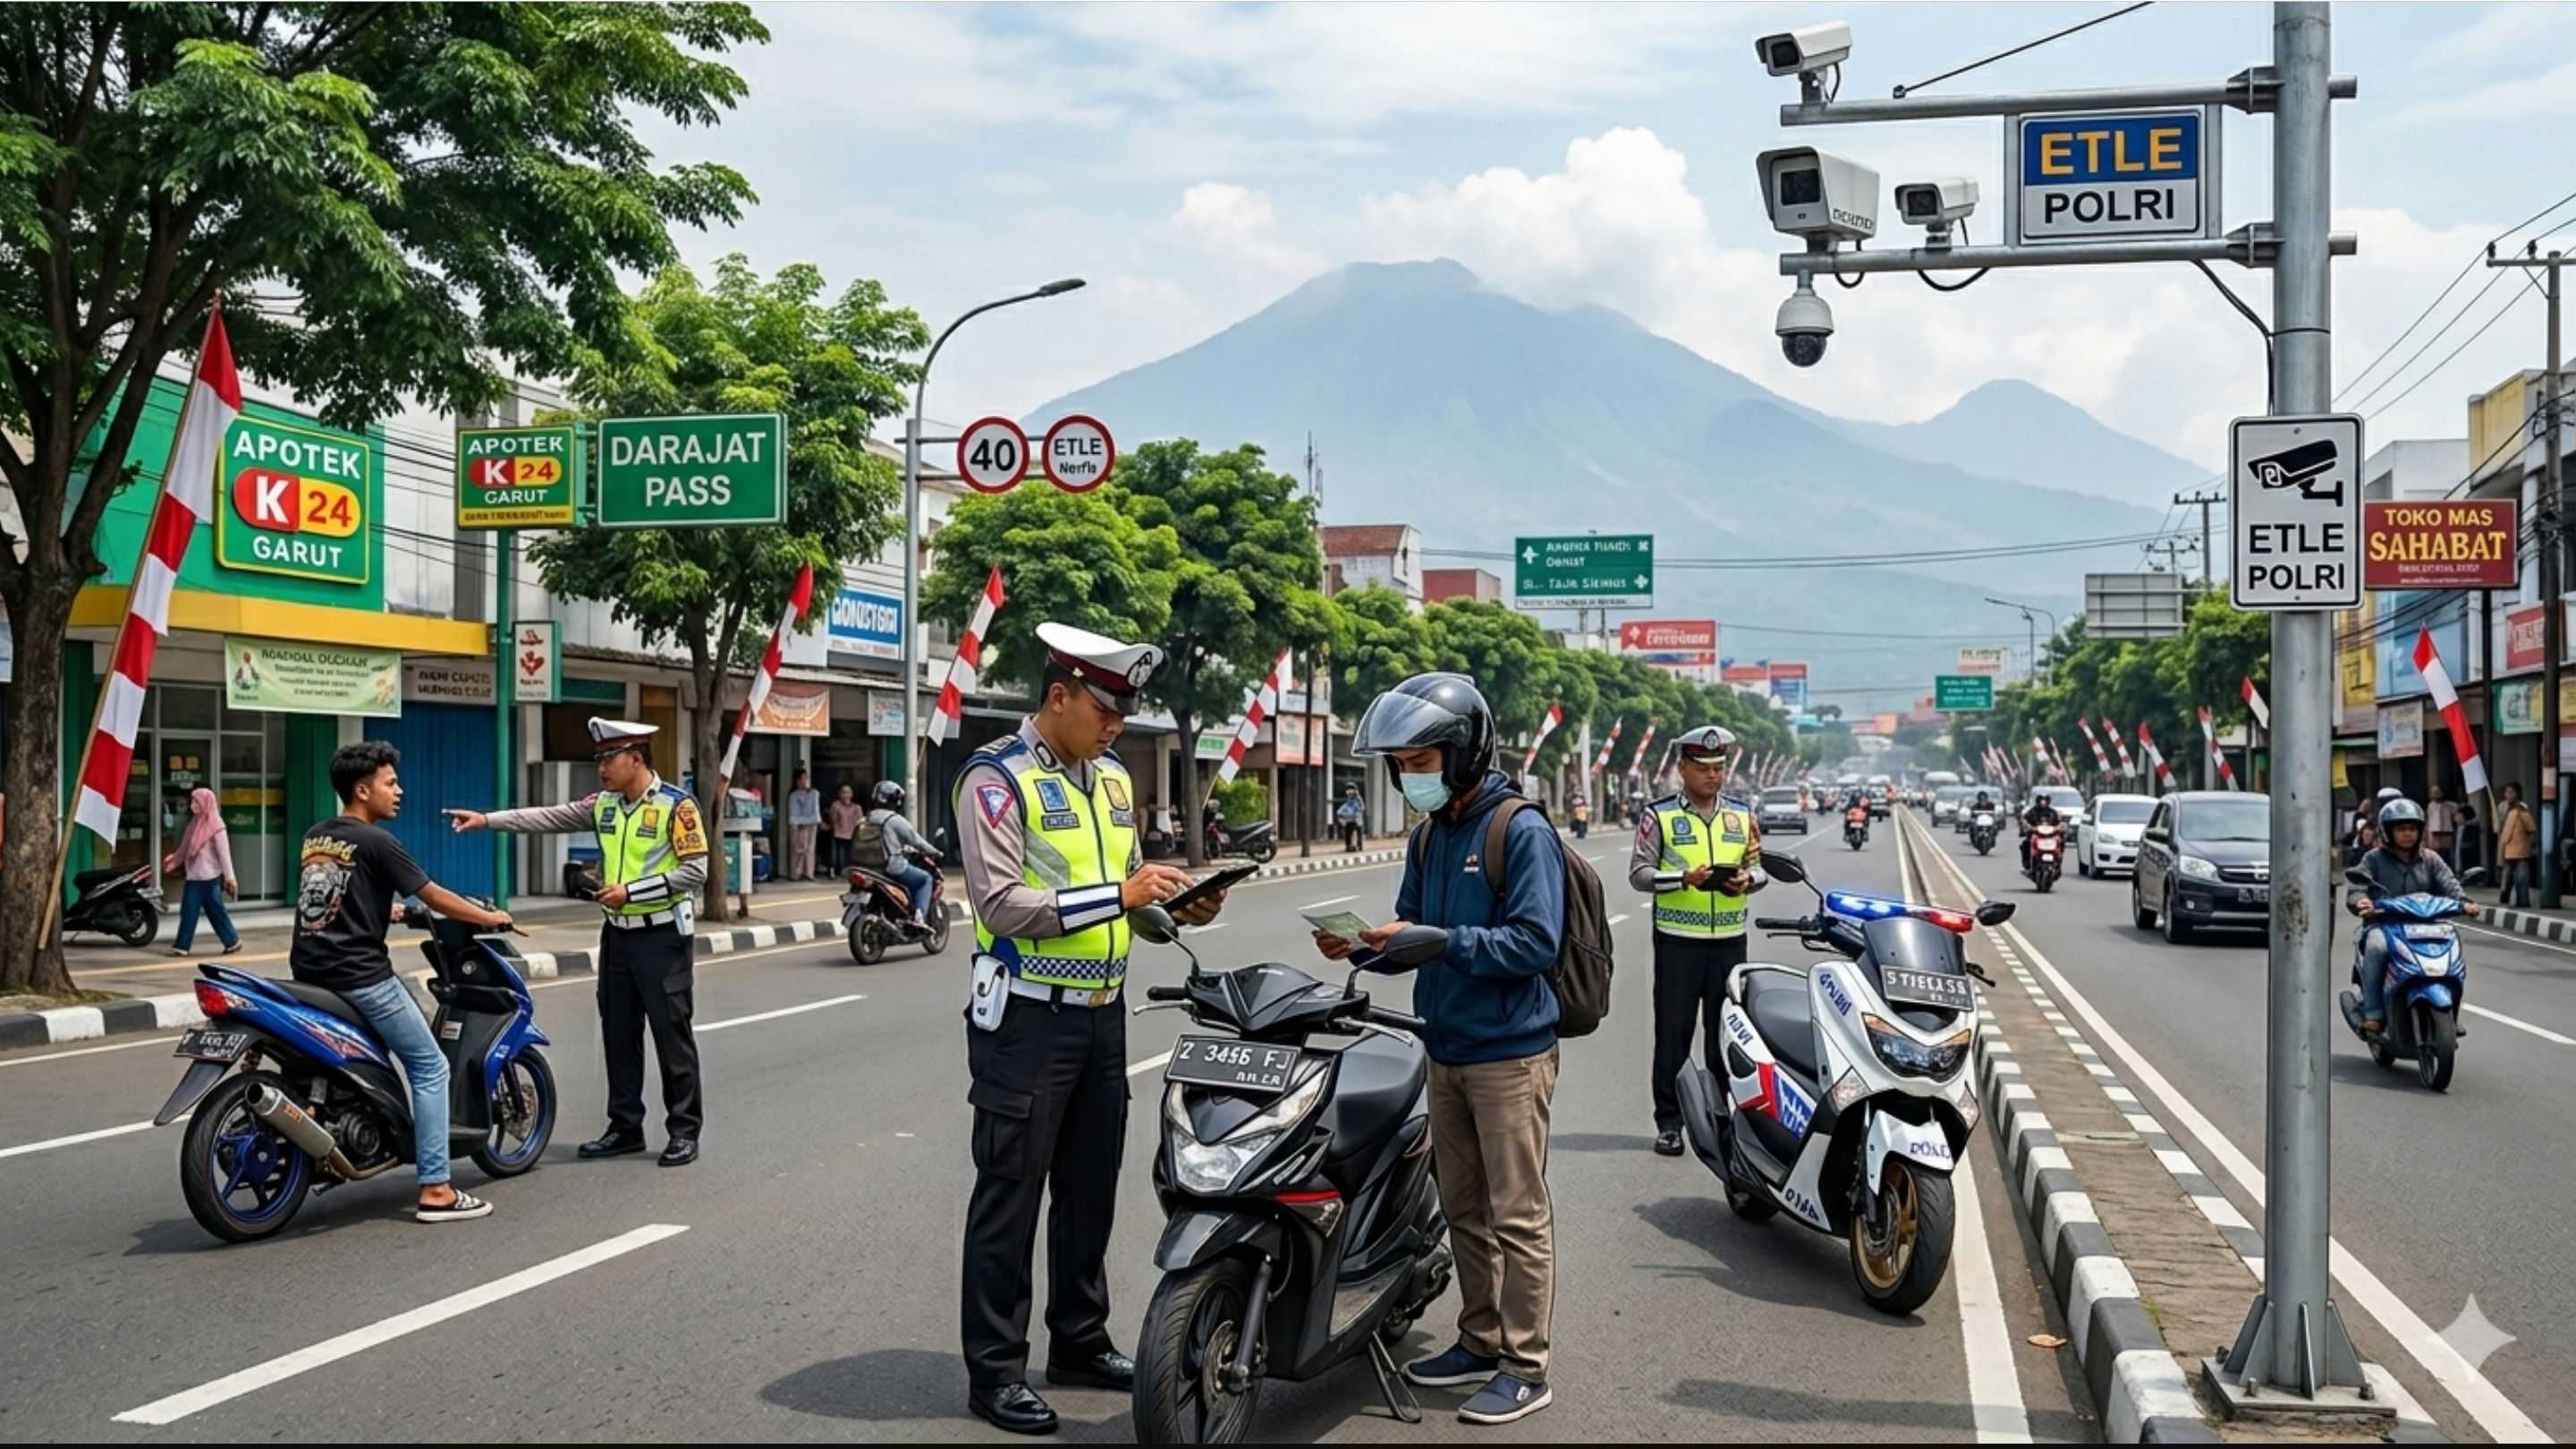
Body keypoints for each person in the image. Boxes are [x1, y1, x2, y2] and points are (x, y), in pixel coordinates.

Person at [955, 623, 1225, 1436]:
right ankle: (994, 1371)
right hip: (1027, 1019)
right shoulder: (996, 779)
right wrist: (1121, 896)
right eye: (1103, 711)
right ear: (1059, 696)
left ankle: (1077, 1340)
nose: (1115, 727)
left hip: (1103, 1015)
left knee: (1088, 1190)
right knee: (1010, 1193)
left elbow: (1126, 892)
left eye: (1123, 714)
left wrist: (1177, 906)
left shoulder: (1110, 780)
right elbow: (1001, 902)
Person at [1316, 673, 1563, 1428]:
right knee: (1462, 1207)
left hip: (1509, 1055)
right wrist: (1362, 948)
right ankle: (1479, 1339)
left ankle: (1525, 1366)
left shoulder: (1519, 830)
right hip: (1444, 1048)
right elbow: (1412, 936)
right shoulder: (1430, 835)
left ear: (1462, 755)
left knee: (1516, 1213)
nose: (1408, 776)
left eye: (1419, 761)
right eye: (1400, 765)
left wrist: (1442, 940)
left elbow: (1536, 943)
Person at [449, 719, 709, 1169]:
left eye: (610, 759)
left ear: (636, 759)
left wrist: (632, 892)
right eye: (599, 760)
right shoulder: (603, 805)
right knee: (618, 1034)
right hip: (618, 936)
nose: (602, 768)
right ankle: (625, 1128)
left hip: (663, 937)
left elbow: (695, 870)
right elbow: (548, 816)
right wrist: (487, 820)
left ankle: (684, 1131)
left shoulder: (676, 806)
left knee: (672, 1037)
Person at [292, 741, 513, 1223]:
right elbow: (434, 896)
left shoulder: (316, 837)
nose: (399, 791)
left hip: (310, 972)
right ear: (362, 789)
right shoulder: (378, 841)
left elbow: (330, 893)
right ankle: (437, 1188)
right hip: (360, 977)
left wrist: (386, 909)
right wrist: (489, 917)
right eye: (390, 783)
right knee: (430, 1066)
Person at [1630, 724, 1762, 1159]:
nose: (1713, 775)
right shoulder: (1659, 816)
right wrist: (1683, 879)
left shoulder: (1741, 816)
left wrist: (1748, 881)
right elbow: (1639, 874)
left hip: (1730, 943)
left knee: (1724, 1036)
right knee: (1674, 1035)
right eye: (1703, 768)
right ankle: (1670, 1123)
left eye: (1719, 767)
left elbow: (1759, 867)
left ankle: (1721, 1117)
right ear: (1682, 769)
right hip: (1678, 944)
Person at [2348, 797, 2479, 1035]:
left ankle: (2452, 1013)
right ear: (2387, 831)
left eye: (2412, 828)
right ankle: (2374, 1013)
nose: (2407, 834)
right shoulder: (2373, 859)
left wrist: (2464, 902)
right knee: (2377, 947)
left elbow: (2449, 883)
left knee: (2453, 947)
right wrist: (2361, 901)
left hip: (2427, 924)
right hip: (2384, 924)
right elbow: (2357, 888)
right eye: (2401, 829)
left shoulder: (2430, 859)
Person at [165, 786, 242, 956]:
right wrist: (174, 862)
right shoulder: (194, 824)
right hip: (194, 877)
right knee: (192, 911)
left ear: (206, 803)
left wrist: (230, 877)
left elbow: (224, 855)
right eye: (193, 801)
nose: (193, 805)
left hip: (210, 878)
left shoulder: (217, 826)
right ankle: (185, 946)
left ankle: (230, 941)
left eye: (196, 801)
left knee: (210, 912)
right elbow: (185, 848)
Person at [866, 779, 939, 931]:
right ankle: (919, 918)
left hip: (868, 867)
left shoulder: (867, 818)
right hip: (891, 867)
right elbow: (916, 841)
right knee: (925, 879)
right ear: (896, 801)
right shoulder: (894, 820)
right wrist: (934, 851)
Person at [2497, 782, 2538, 908]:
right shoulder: (2503, 807)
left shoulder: (2522, 808)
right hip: (2508, 847)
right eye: (2507, 792)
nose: (2508, 795)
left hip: (2520, 849)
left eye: (2511, 792)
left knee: (2521, 877)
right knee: (2507, 876)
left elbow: (2531, 827)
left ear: (2517, 794)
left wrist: (2528, 843)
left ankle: (2523, 901)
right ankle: (2505, 897)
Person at [787, 769, 823, 881]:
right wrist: (799, 823)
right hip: (796, 824)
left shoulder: (814, 793)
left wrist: (815, 821)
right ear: (796, 781)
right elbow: (793, 813)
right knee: (797, 849)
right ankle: (796, 874)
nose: (803, 781)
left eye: (805, 778)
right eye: (800, 779)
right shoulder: (793, 795)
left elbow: (816, 811)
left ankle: (809, 873)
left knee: (810, 848)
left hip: (811, 823)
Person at [2020, 790, 2063, 873]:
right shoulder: (2032, 811)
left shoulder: (2052, 812)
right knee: (2026, 843)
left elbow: (2059, 822)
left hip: (2050, 836)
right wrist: (2026, 825)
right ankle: (2027, 863)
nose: (2043, 802)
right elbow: (2025, 819)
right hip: (2036, 834)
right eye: (2041, 800)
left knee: (2061, 841)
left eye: (2045, 800)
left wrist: (2060, 827)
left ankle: (2058, 861)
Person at [826, 784, 864, 875]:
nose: (845, 795)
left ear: (852, 794)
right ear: (839, 794)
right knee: (838, 855)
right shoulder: (836, 805)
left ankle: (847, 871)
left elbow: (860, 822)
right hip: (838, 834)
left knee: (850, 855)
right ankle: (837, 871)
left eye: (848, 793)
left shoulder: (857, 807)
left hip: (852, 835)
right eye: (843, 792)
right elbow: (832, 819)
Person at [2425, 784, 2459, 862]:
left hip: (2448, 835)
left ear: (2442, 792)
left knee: (2448, 857)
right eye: (2432, 792)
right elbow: (2429, 821)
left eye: (2437, 792)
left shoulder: (2452, 805)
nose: (2434, 794)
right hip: (2434, 836)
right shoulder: (2430, 806)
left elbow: (2456, 821)